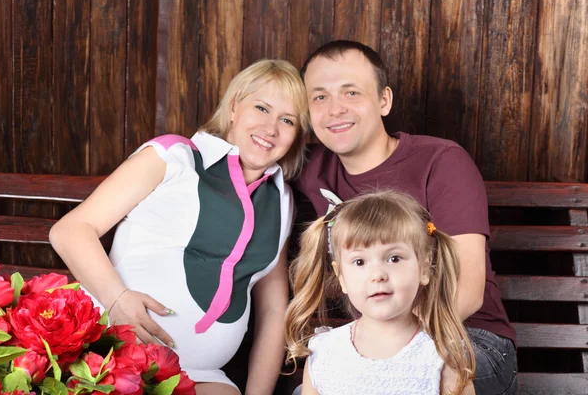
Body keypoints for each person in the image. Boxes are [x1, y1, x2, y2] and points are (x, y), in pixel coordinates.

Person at [49, 59, 309, 395]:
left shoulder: (281, 199)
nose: (271, 128)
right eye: (261, 108)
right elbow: (71, 230)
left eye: (287, 120)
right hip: (116, 353)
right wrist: (117, 300)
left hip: (203, 374)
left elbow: (273, 311)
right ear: (233, 108)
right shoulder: (173, 157)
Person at [292, 40, 517, 394]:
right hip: (368, 341)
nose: (335, 109)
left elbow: (468, 291)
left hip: (466, 336)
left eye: (351, 92)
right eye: (319, 97)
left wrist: (392, 356)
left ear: (384, 100)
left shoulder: (440, 161)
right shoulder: (310, 168)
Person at [285, 191, 475, 394]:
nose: (377, 275)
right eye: (360, 262)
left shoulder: (442, 354)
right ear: (341, 277)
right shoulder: (324, 351)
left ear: (424, 267)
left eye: (394, 258)